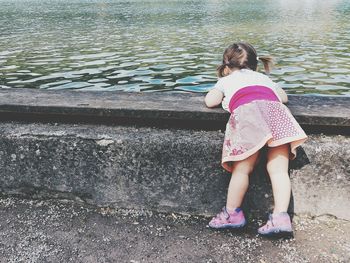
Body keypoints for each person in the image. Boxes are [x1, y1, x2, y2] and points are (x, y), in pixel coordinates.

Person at [204, 42, 307, 237]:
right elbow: (283, 98)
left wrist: (220, 89)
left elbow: (211, 102)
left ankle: (232, 214)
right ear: (255, 65)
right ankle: (281, 217)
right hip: (277, 115)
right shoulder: (263, 78)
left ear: (226, 66)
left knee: (242, 168)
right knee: (278, 170)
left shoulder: (226, 80)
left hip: (248, 116)